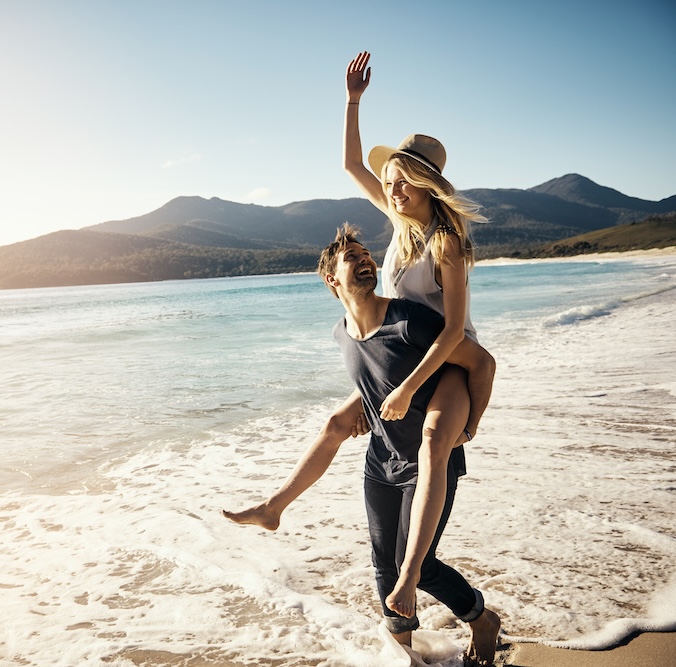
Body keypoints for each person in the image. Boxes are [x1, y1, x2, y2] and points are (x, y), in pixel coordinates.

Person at [224, 225, 500, 665]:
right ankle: (404, 657)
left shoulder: (410, 321)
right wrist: (363, 413)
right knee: (384, 568)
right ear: (331, 279)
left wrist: (471, 427)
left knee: (420, 567)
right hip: (381, 462)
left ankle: (481, 618)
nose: (365, 259)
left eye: (366, 253)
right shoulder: (342, 334)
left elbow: (482, 363)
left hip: (429, 461)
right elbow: (372, 386)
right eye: (352, 257)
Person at [342, 49, 496, 621]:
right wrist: (353, 102)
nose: (393, 189)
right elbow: (353, 167)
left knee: (436, 437)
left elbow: (455, 328)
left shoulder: (445, 241)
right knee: (341, 420)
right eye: (391, 183)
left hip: (450, 356)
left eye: (403, 181)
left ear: (428, 185)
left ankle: (415, 579)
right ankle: (276, 505)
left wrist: (406, 389)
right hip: (407, 345)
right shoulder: (402, 218)